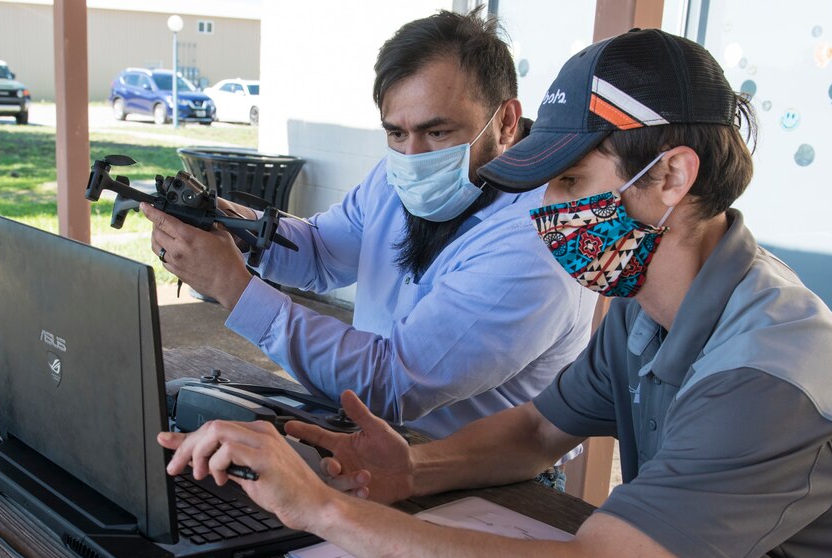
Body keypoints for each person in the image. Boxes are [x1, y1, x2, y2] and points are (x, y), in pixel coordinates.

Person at [158, 27, 832, 558]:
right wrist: (413, 471)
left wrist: (321, 508)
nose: (547, 211)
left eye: (568, 182)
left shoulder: (769, 375)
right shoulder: (643, 302)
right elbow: (539, 428)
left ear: (670, 178)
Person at [142, 10, 595, 440]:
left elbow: (393, 383)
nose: (413, 158)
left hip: (492, 489)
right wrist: (226, 225)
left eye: (438, 133)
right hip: (372, 438)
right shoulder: (395, 176)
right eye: (396, 133)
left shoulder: (539, 238)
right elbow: (320, 251)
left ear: (507, 123)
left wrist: (233, 287)